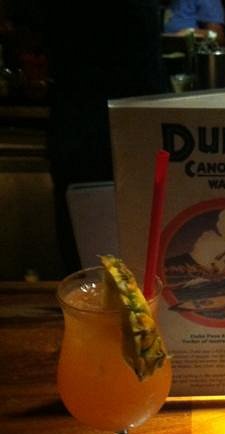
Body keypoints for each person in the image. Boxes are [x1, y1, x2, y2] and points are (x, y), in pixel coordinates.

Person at [5, 0, 166, 275]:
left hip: (101, 114)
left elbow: (24, 25)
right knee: (104, 262)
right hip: (109, 115)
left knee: (128, 258)